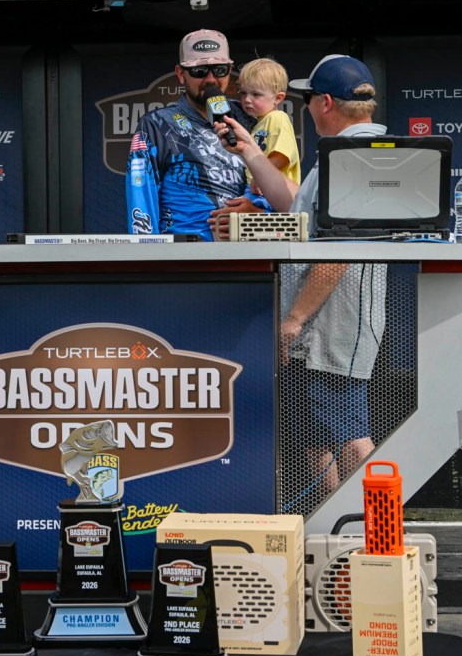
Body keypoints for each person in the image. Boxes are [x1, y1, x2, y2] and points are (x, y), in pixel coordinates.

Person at [213, 54, 388, 506]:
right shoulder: (342, 154)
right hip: (321, 326)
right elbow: (297, 210)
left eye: (308, 99)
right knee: (318, 435)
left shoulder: (352, 157)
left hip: (330, 327)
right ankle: (337, 527)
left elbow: (338, 252)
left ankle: (376, 531)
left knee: (350, 434)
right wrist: (251, 152)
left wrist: (294, 320)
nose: (305, 108)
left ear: (325, 102)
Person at [126, 29, 269, 241]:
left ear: (229, 71)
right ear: (180, 73)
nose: (211, 79)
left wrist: (259, 213)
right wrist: (146, 254)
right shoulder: (157, 124)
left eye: (219, 70)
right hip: (186, 254)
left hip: (251, 250)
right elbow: (141, 197)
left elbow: (284, 187)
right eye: (199, 71)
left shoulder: (252, 118)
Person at [235, 57, 301, 194]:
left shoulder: (278, 118)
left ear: (278, 98)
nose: (247, 99)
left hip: (275, 189)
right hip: (257, 188)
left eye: (256, 94)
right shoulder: (259, 122)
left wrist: (261, 177)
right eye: (243, 93)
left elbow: (282, 157)